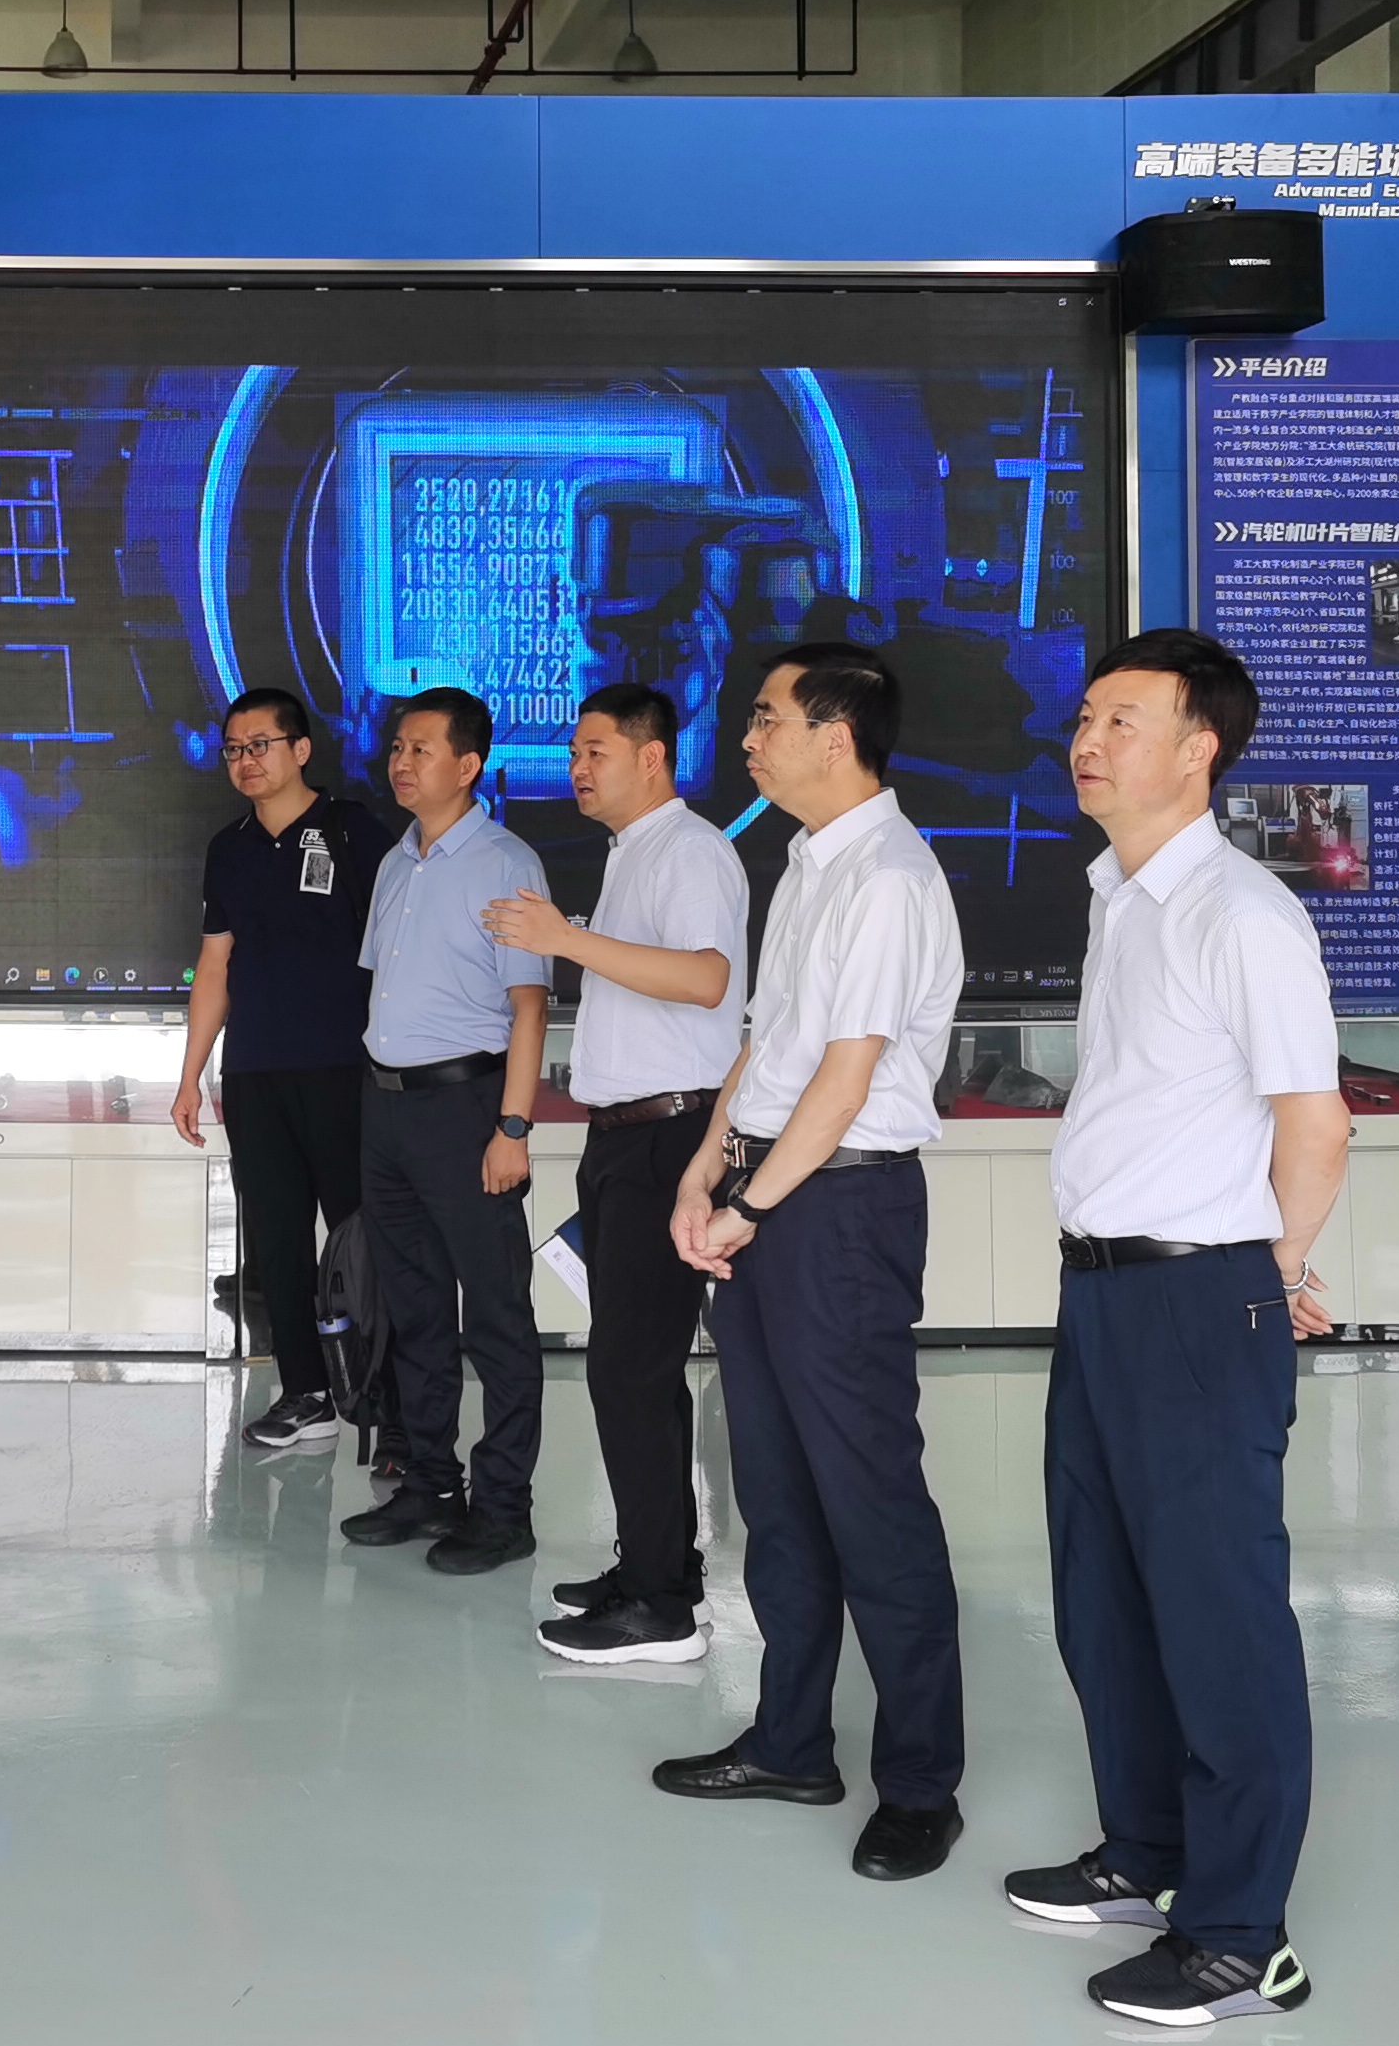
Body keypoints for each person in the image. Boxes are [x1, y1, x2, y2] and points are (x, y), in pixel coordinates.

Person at [1005, 628, 1345, 2029]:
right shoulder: (1122, 897)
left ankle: (1242, 1933)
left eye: (1122, 721)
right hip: (1105, 1291)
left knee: (1217, 1616)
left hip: (1200, 1296)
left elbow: (1314, 1118)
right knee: (1105, 1594)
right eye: (1085, 718)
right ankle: (1148, 1850)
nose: (1087, 742)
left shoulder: (1242, 912)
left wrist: (1272, 1268)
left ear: (1200, 750)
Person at [644, 644, 967, 1883]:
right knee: (776, 1493)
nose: (749, 738)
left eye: (768, 718)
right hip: (772, 1190)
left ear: (838, 737)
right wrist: (705, 1169)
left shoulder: (887, 875)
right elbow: (771, 1043)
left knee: (871, 1500)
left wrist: (749, 1203)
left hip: (837, 1211)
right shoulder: (807, 861)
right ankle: (790, 1743)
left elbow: (848, 1073)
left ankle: (920, 1785)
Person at [478, 681, 745, 1663]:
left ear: (653, 756)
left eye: (595, 751)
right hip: (623, 1140)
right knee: (633, 1368)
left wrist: (563, 939)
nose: (577, 768)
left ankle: (661, 1607)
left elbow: (707, 979)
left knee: (631, 1369)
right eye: (574, 752)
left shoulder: (691, 851)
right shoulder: (633, 852)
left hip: (671, 1138)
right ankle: (654, 1567)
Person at [339, 687, 553, 1576]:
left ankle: (503, 1510)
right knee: (415, 1308)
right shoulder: (397, 862)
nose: (401, 761)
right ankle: (430, 1485)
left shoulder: (506, 863)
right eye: (397, 747)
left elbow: (529, 1007)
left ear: (468, 766)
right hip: (386, 1108)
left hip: (467, 1111)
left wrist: (513, 1127)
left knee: (495, 1314)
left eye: (420, 749)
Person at [172, 687, 394, 1456]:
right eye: (234, 750)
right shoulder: (229, 848)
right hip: (256, 1074)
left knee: (365, 1239)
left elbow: (399, 946)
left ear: (301, 749)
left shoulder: (353, 831)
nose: (246, 761)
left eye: (259, 745)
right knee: (278, 1239)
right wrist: (193, 1074)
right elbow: (214, 965)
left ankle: (394, 1408)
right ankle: (308, 1394)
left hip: (346, 1068)